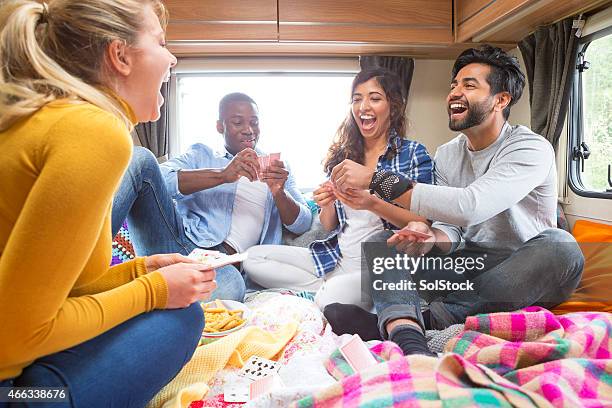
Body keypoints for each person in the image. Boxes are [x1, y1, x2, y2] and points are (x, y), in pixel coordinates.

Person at [0, 1, 217, 405]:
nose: (171, 58)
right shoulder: (94, 131)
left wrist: (139, 269)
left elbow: (56, 287)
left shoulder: (54, 119)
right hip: (16, 388)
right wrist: (152, 290)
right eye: (161, 42)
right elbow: (15, 336)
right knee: (183, 317)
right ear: (120, 56)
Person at [325, 45, 584, 357]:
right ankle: (408, 336)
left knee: (563, 247)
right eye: (454, 85)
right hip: (465, 266)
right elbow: (452, 227)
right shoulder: (449, 153)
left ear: (501, 100)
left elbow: (471, 205)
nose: (454, 93)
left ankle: (429, 318)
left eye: (469, 85)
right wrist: (426, 238)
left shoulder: (530, 148)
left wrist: (375, 178)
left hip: (520, 269)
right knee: (385, 240)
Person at [243, 68, 434, 310]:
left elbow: (423, 220)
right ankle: (329, 287)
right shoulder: (344, 156)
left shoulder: (412, 154)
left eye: (374, 98)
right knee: (253, 258)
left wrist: (371, 202)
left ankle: (333, 292)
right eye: (357, 99)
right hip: (335, 258)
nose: (363, 106)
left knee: (328, 300)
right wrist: (328, 202)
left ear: (393, 107)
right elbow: (328, 224)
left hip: (378, 266)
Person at [112, 92, 312, 299]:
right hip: (183, 246)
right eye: (237, 122)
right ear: (220, 126)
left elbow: (303, 223)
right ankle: (86, 259)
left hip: (227, 268)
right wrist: (223, 175)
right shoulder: (202, 155)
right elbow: (158, 178)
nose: (249, 130)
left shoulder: (278, 168)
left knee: (232, 287)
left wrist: (279, 192)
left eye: (254, 122)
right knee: (140, 158)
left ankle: (164, 290)